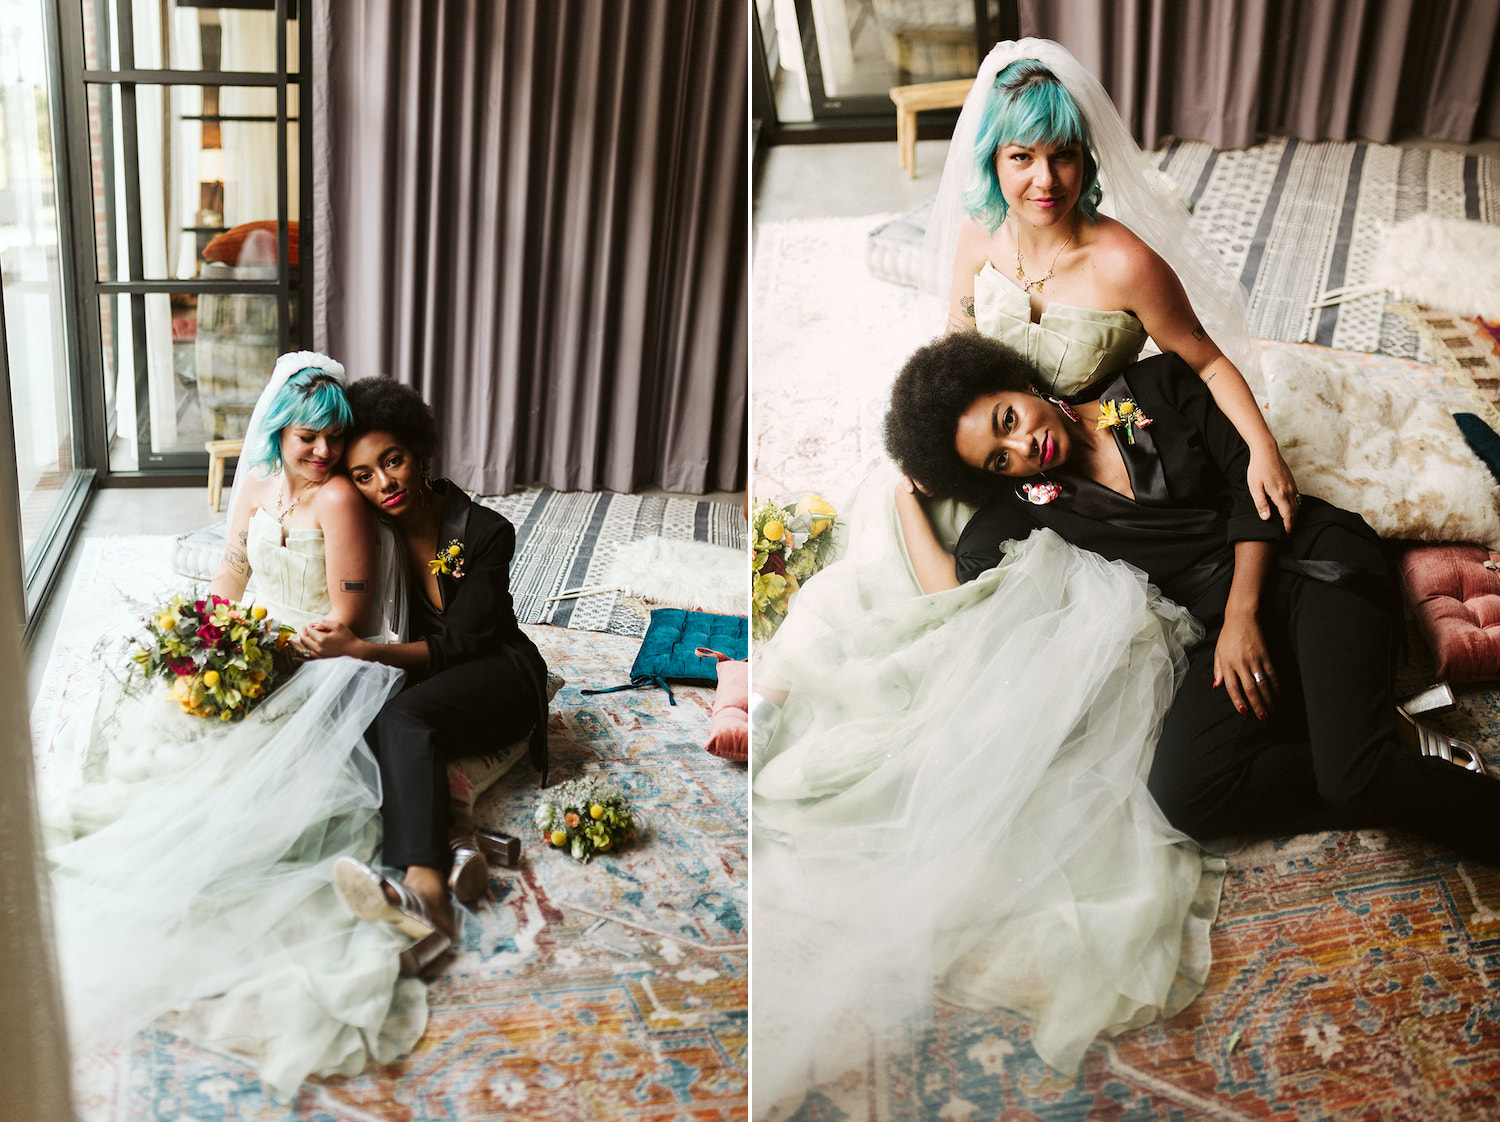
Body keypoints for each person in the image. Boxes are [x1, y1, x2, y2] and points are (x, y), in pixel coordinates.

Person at [888, 332, 1500, 864]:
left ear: (1019, 384)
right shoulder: (1023, 508)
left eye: (1008, 420)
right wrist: (907, 499)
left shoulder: (1157, 384)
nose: (1022, 449)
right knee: (1183, 796)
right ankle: (1379, 740)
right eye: (998, 460)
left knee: (1353, 780)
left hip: (1309, 564)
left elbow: (1253, 489)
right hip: (1221, 630)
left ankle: (1369, 754)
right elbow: (957, 590)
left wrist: (1241, 615)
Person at [41, 352, 427, 1098]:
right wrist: (211, 634)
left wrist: (264, 659)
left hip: (316, 662)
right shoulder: (253, 488)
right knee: (158, 735)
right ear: (279, 432)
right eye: (307, 439)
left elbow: (346, 617)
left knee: (250, 786)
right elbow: (230, 577)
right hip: (249, 646)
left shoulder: (341, 502)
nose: (321, 455)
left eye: (331, 441)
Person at [298, 377, 550, 962]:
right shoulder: (374, 530)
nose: (384, 483)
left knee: (405, 717)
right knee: (358, 720)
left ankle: (426, 893)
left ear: (418, 452)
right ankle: (462, 840)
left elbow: (461, 644)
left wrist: (365, 651)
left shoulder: (484, 532)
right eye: (364, 475)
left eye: (393, 461)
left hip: (502, 675)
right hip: (437, 685)